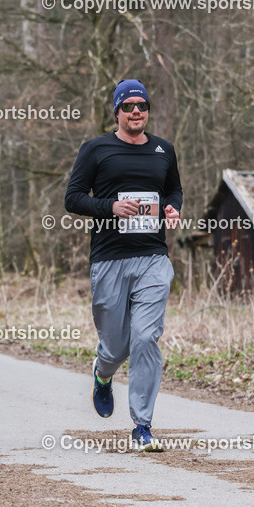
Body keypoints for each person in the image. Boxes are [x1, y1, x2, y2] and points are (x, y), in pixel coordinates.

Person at [64, 79, 182, 452]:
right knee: (115, 347)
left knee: (146, 338)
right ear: (116, 111)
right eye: (128, 106)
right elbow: (73, 198)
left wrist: (171, 207)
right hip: (109, 259)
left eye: (142, 106)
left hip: (152, 257)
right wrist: (110, 207)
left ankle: (142, 425)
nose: (136, 112)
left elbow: (174, 189)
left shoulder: (165, 150)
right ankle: (103, 374)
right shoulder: (96, 149)